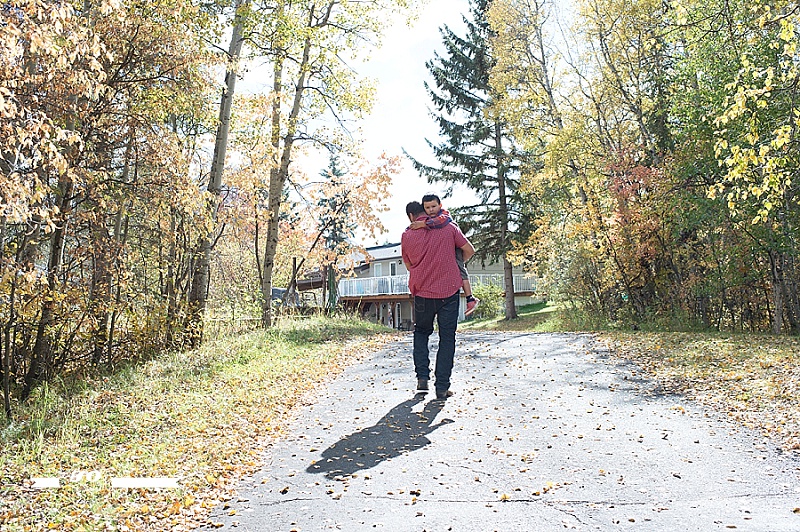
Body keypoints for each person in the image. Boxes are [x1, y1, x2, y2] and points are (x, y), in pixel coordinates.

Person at [402, 200, 476, 400]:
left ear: (411, 216)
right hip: (448, 293)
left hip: (422, 293)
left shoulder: (407, 235)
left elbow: (408, 265)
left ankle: (422, 378)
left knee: (421, 332)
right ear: (425, 211)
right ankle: (442, 387)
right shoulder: (449, 228)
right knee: (447, 338)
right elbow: (469, 250)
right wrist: (453, 262)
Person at [409, 193, 480, 317]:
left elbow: (440, 222)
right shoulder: (430, 218)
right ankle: (470, 298)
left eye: (433, 206)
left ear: (440, 205)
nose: (431, 210)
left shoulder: (444, 216)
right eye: (427, 208)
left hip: (454, 247)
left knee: (461, 271)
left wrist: (422, 224)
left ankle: (470, 298)